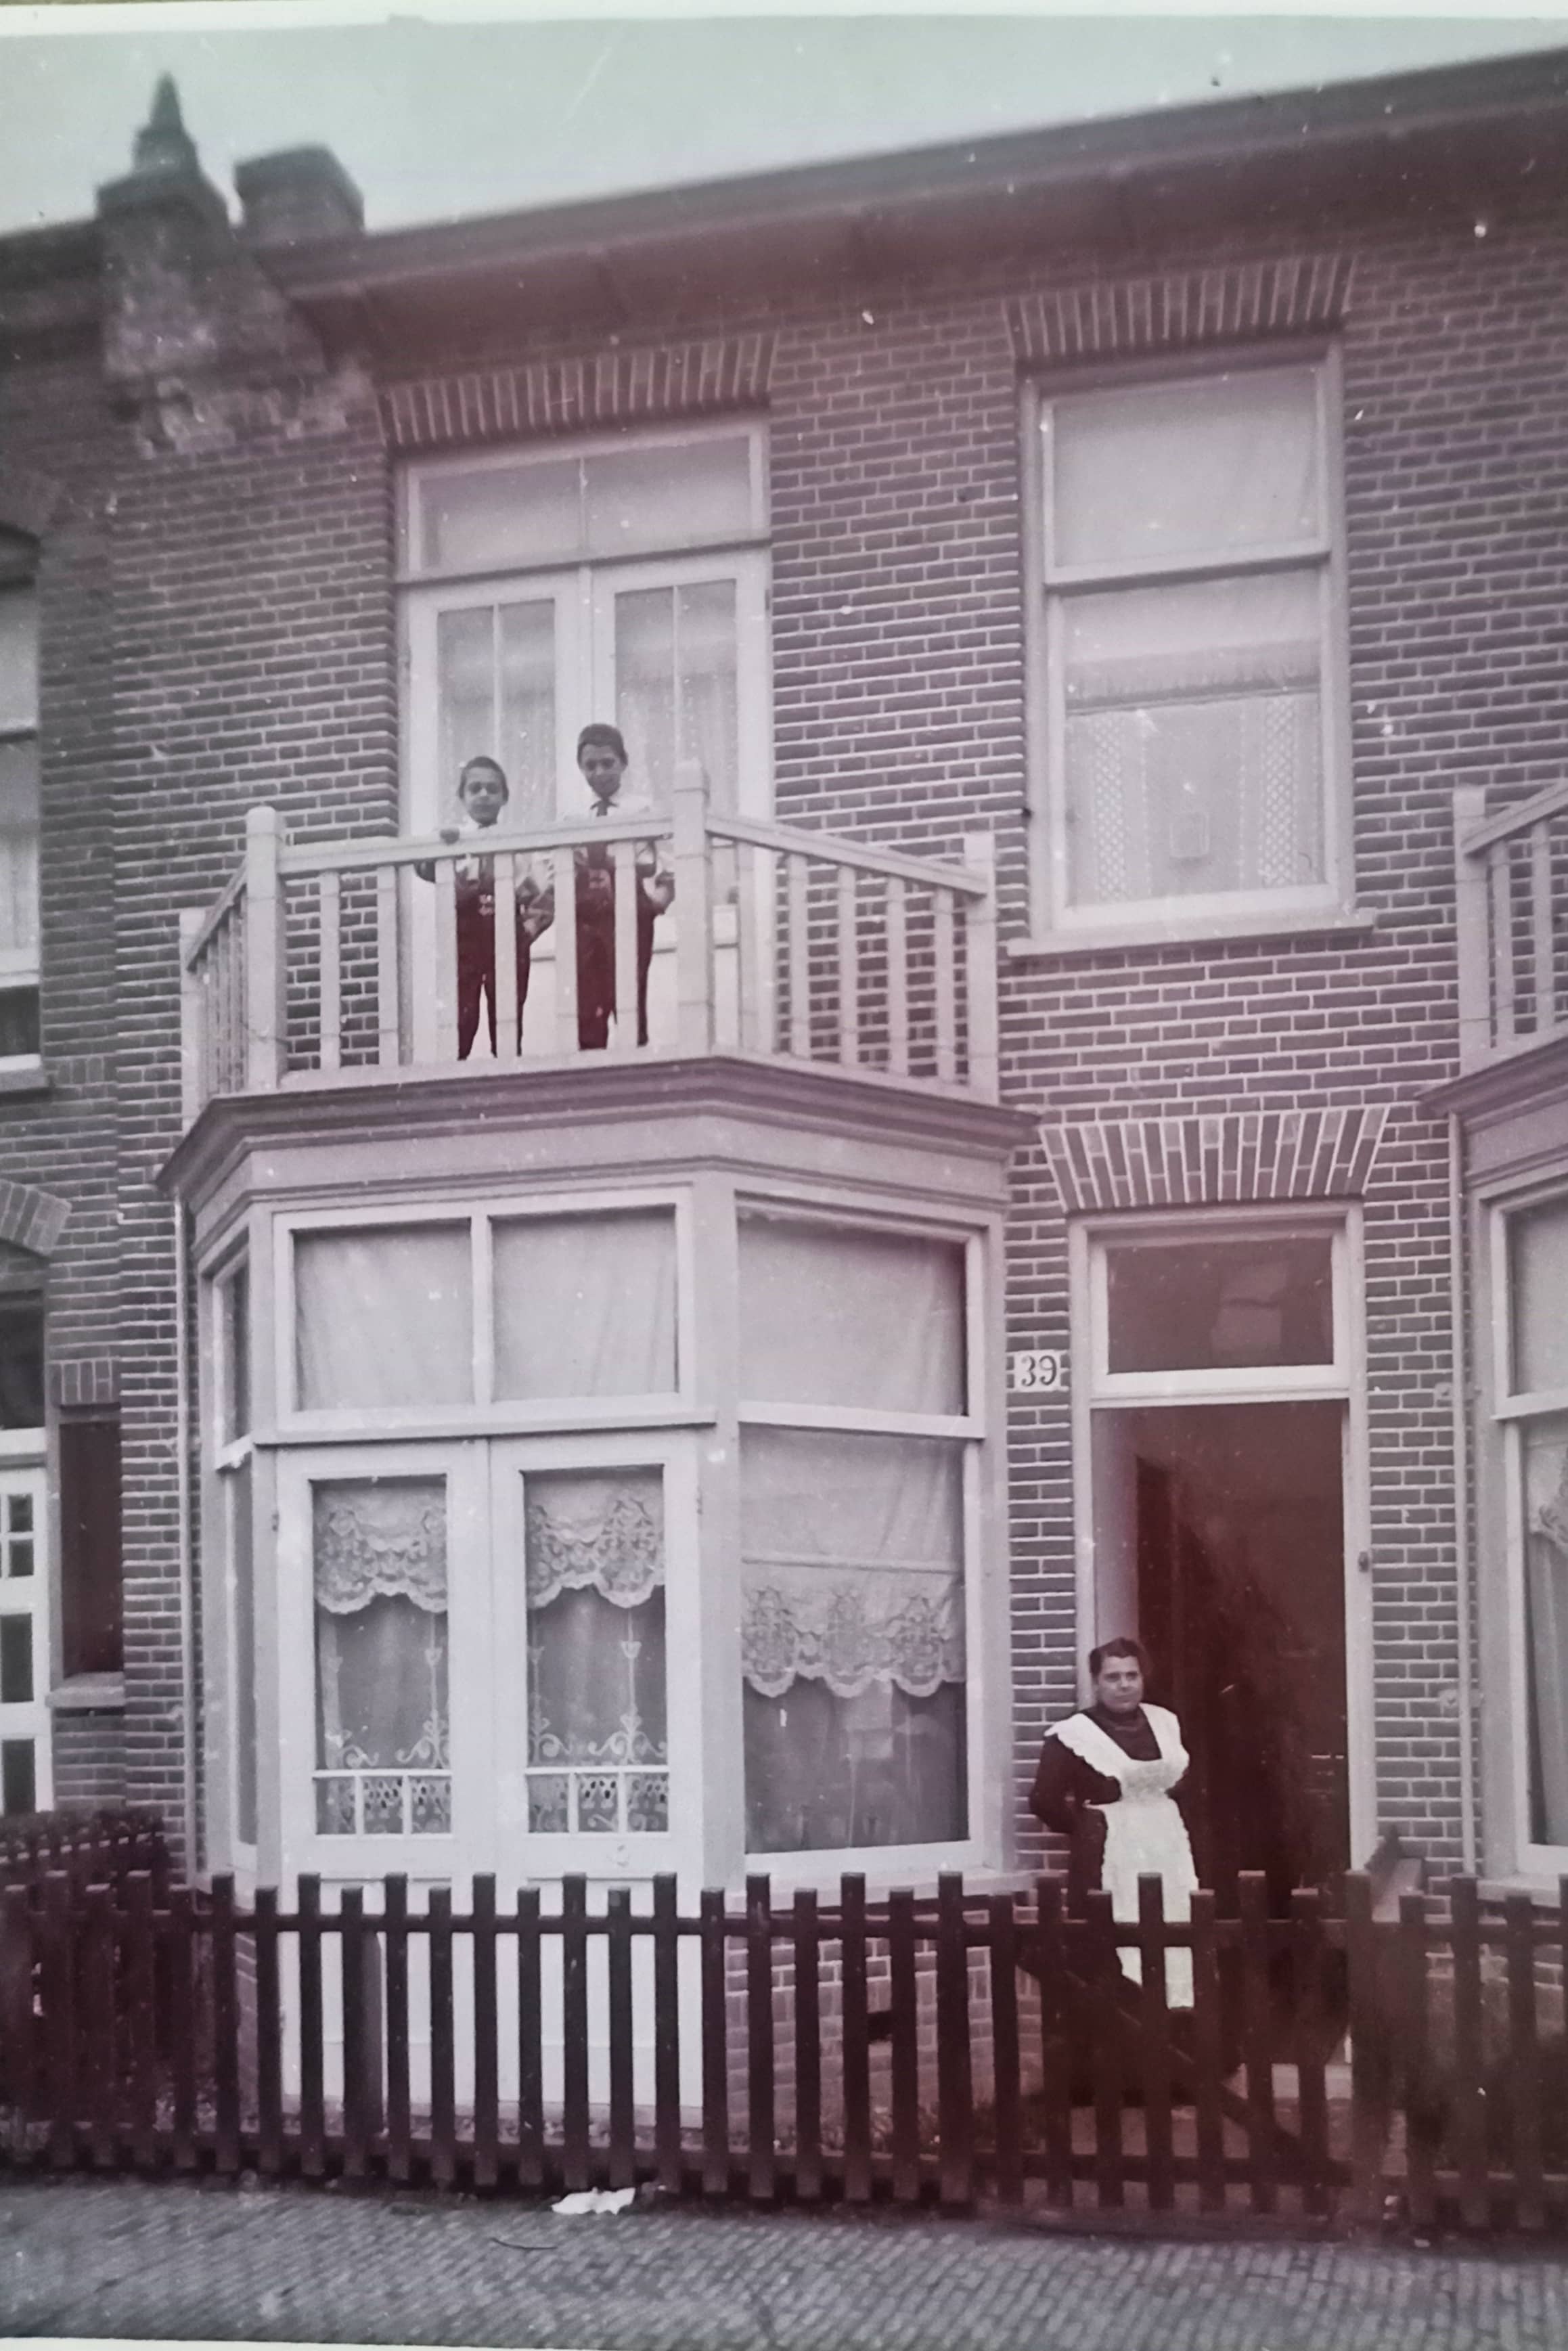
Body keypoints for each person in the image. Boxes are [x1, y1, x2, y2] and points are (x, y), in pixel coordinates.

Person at [1029, 1637, 1198, 2009]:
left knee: (1175, 1927)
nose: (1124, 1685)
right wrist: (1090, 1828)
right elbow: (1043, 1799)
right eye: (1113, 1677)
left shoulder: (1165, 1722)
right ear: (1096, 1682)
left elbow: (1182, 1785)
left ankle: (1178, 2040)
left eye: (1132, 1676)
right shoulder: (1074, 1734)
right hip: (1110, 1854)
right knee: (1114, 1942)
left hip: (1166, 1848)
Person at [416, 755, 550, 1060]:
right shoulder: (453, 838)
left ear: (504, 796)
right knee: (463, 1011)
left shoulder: (518, 843)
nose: (484, 795)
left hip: (508, 935)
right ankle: (456, 1069)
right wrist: (440, 845)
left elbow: (543, 892)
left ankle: (507, 1067)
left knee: (507, 1010)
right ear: (462, 797)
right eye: (475, 789)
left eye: (492, 788)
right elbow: (423, 867)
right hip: (466, 936)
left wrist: (528, 929)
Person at [567, 723, 673, 1050]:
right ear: (581, 768)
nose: (599, 772)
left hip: (631, 909)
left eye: (607, 763)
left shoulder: (641, 809)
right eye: (590, 765)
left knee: (629, 987)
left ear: (623, 762)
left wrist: (659, 899)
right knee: (588, 991)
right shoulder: (574, 816)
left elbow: (668, 860)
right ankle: (591, 1057)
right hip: (588, 912)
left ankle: (634, 1051)